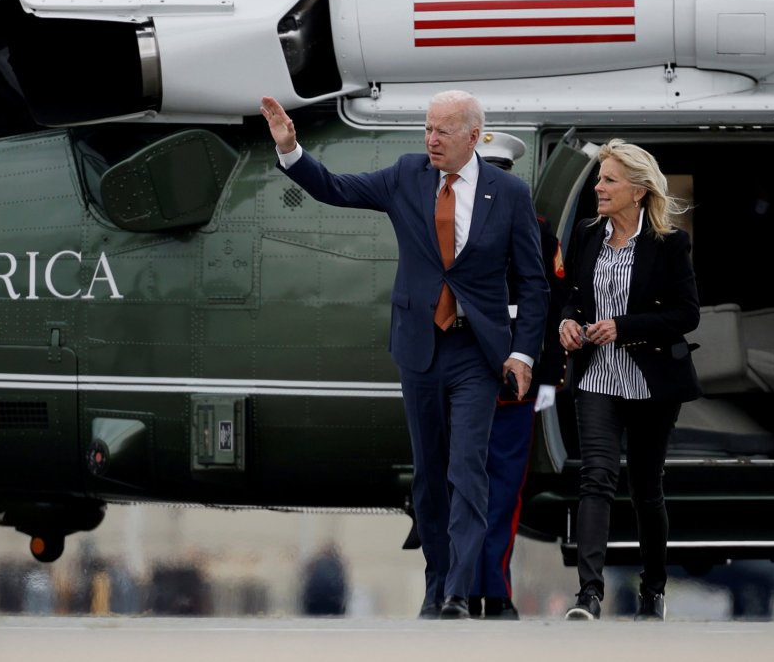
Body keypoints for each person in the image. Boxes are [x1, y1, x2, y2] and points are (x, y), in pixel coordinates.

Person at [260, 92, 549, 620]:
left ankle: (460, 592)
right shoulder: (406, 175)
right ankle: (437, 583)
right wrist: (292, 152)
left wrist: (523, 355)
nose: (431, 139)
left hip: (476, 353)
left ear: (473, 136)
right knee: (429, 475)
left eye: (442, 131)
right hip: (419, 348)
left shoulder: (508, 193)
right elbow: (337, 189)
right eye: (427, 129)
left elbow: (533, 284)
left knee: (468, 470)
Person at [558, 140, 701, 621]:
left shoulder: (669, 243)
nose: (598, 187)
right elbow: (572, 296)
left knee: (645, 486)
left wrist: (624, 325)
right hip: (596, 374)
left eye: (608, 180)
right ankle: (589, 595)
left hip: (651, 379)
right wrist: (568, 322)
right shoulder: (585, 234)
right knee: (595, 477)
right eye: (600, 179)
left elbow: (687, 314)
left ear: (637, 190)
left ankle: (653, 590)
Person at [467, 132, 568, 620]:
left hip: (514, 371)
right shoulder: (447, 219)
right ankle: (462, 588)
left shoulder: (537, 228)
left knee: (504, 488)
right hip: (463, 368)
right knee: (465, 486)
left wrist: (548, 373)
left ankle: (494, 589)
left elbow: (546, 303)